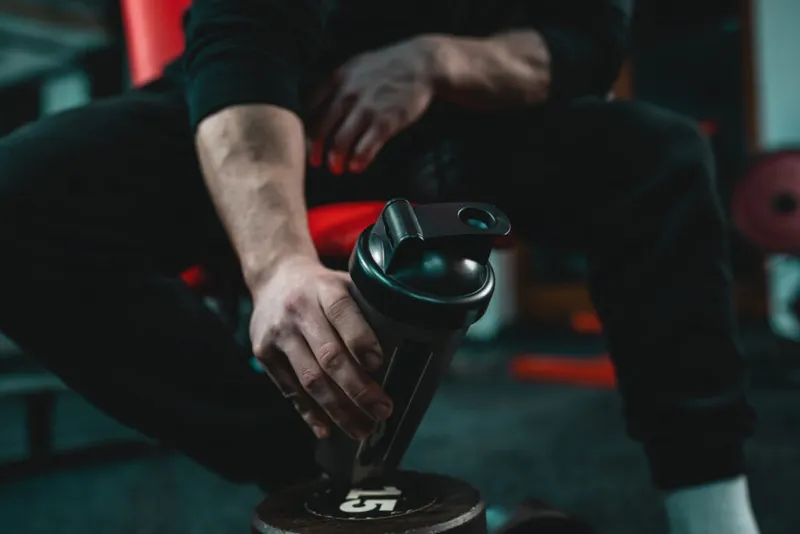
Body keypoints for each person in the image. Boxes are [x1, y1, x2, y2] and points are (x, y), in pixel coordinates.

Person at [0, 1, 760, 532]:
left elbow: (588, 42)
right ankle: (343, 489)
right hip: (269, 98)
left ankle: (714, 516)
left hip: (461, 115)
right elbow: (243, 37)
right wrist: (279, 267)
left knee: (660, 155)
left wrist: (437, 60)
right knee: (16, 205)